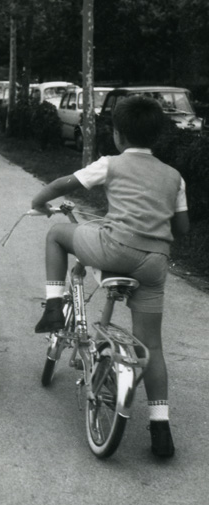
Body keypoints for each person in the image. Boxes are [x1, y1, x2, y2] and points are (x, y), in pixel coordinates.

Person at [30, 95, 189, 458]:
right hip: (154, 263)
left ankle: (53, 307)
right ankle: (160, 426)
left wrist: (39, 202)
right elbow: (181, 227)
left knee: (56, 234)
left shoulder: (110, 164)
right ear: (158, 136)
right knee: (153, 345)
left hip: (114, 248)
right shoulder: (174, 176)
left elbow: (63, 184)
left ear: (118, 134)